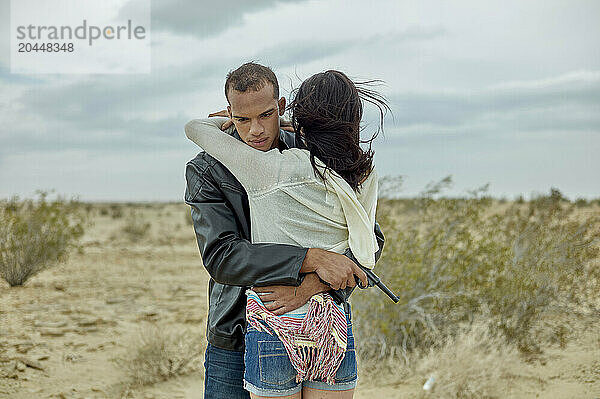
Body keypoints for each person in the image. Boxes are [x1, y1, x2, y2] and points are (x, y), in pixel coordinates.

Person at [185, 64, 389, 398]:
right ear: (230, 114)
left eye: (265, 116)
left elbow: (370, 237)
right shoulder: (206, 169)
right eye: (242, 119)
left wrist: (312, 283)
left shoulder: (312, 149)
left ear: (281, 108)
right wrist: (311, 258)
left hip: (321, 318)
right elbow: (223, 258)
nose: (255, 131)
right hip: (233, 329)